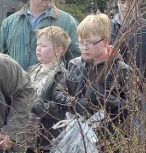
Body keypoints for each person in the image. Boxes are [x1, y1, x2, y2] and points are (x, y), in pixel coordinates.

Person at [53, 13, 131, 143]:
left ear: (105, 41)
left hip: (109, 141)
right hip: (76, 137)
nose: (84, 47)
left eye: (90, 42)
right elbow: (58, 92)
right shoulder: (74, 65)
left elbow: (134, 107)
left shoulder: (121, 70)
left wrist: (105, 99)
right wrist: (74, 103)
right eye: (81, 42)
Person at [0, 0, 80, 70]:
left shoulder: (68, 22)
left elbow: (77, 63)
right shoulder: (9, 23)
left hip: (53, 85)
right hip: (15, 85)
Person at [28, 26, 71, 153]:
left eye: (43, 46)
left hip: (49, 142)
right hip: (28, 141)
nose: (38, 49)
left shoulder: (62, 75)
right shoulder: (32, 70)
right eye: (38, 45)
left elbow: (61, 108)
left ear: (58, 51)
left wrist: (35, 105)